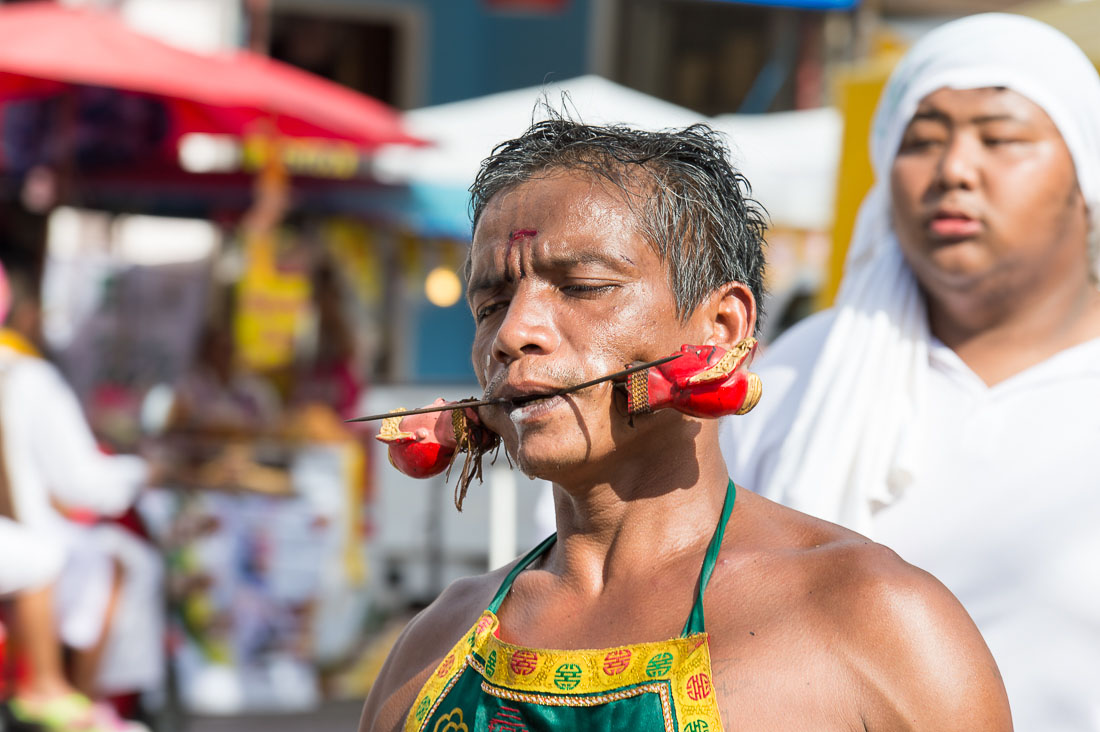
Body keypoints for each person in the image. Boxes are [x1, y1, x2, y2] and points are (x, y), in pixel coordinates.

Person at [358, 118, 1012, 731]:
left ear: (722, 328)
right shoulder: (433, 646)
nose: (514, 334)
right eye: (491, 303)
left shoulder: (876, 622)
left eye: (583, 285)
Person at [719, 13, 1100, 731]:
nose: (954, 168)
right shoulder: (790, 383)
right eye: (921, 142)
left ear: (1086, 173)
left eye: (1001, 137)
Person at [0, 263, 157, 732]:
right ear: (24, 315)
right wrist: (142, 472)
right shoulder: (26, 377)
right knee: (86, 560)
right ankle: (54, 690)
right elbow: (81, 484)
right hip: (27, 539)